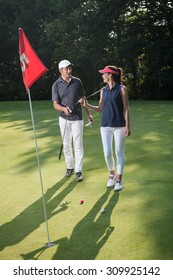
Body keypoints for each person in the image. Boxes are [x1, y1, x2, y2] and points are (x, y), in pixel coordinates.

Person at [79, 65, 131, 190]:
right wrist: (86, 105)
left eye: (104, 74)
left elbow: (126, 109)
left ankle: (119, 179)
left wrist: (127, 126)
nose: (102, 75)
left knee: (119, 152)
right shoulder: (103, 90)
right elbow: (100, 109)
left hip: (119, 125)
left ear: (110, 75)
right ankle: (112, 174)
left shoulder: (122, 89)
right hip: (105, 126)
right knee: (107, 153)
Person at [52, 59, 92, 181]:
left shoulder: (77, 82)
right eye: (66, 68)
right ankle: (70, 167)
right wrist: (64, 109)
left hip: (77, 118)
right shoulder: (56, 84)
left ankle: (78, 171)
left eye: (70, 68)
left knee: (78, 145)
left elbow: (83, 99)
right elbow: (55, 104)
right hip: (64, 119)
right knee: (67, 145)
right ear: (60, 70)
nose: (69, 70)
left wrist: (88, 114)